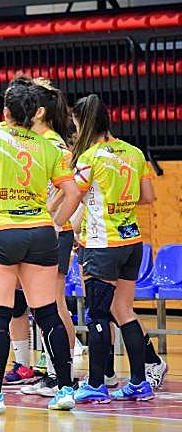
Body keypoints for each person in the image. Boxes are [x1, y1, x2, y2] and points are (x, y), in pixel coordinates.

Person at [0, 82, 81, 414]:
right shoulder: (49, 146)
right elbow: (73, 193)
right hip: (40, 232)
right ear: (35, 113)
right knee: (47, 313)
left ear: (6, 111)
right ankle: (64, 389)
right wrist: (55, 223)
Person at [71, 94, 157, 403]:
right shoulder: (134, 153)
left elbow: (74, 196)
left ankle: (96, 384)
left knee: (97, 314)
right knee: (123, 310)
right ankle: (139, 382)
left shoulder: (89, 157)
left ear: (83, 123)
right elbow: (148, 196)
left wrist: (57, 224)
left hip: (102, 244)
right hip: (131, 242)